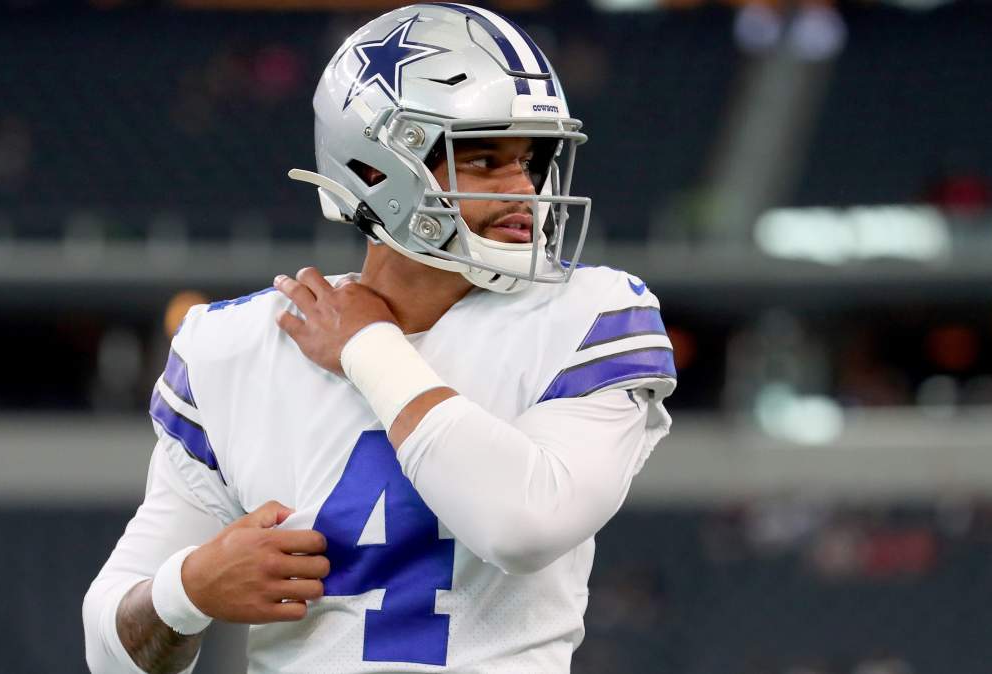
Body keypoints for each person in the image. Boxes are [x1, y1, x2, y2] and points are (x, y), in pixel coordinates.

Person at [82, 4, 676, 673]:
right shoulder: (234, 346)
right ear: (374, 169)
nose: (524, 190)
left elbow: (524, 524)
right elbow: (112, 651)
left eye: (531, 161)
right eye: (484, 159)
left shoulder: (591, 312)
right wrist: (187, 591)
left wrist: (368, 346)